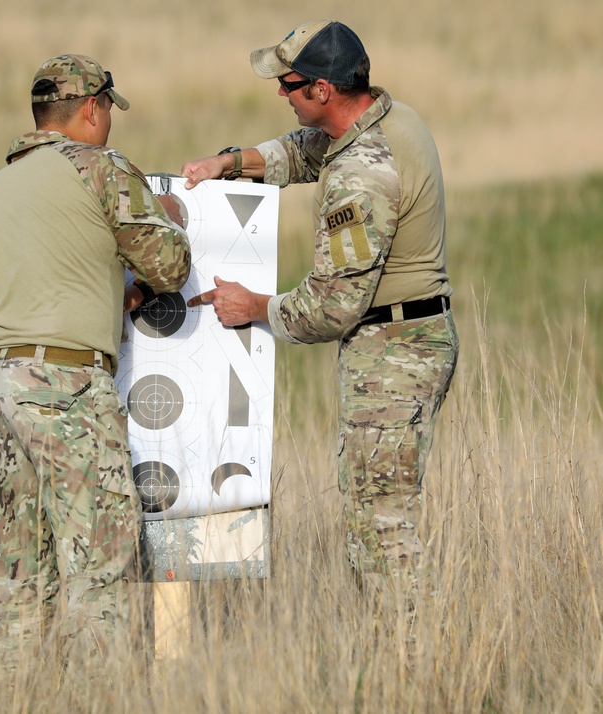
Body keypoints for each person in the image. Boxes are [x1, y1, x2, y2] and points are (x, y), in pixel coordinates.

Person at [181, 20, 458, 597]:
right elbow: (306, 150)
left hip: (392, 355)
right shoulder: (387, 117)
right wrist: (229, 162)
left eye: (290, 84)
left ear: (324, 90)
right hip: (409, 339)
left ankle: (404, 659)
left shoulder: (361, 175)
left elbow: (333, 306)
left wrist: (253, 306)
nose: (281, 94)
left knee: (379, 520)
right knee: (380, 509)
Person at [0, 54, 191, 670]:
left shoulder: (0, 185)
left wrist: (119, 293)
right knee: (100, 572)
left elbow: (53, 286)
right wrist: (168, 221)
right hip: (66, 388)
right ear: (92, 109)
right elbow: (169, 265)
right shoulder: (100, 169)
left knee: (18, 576)